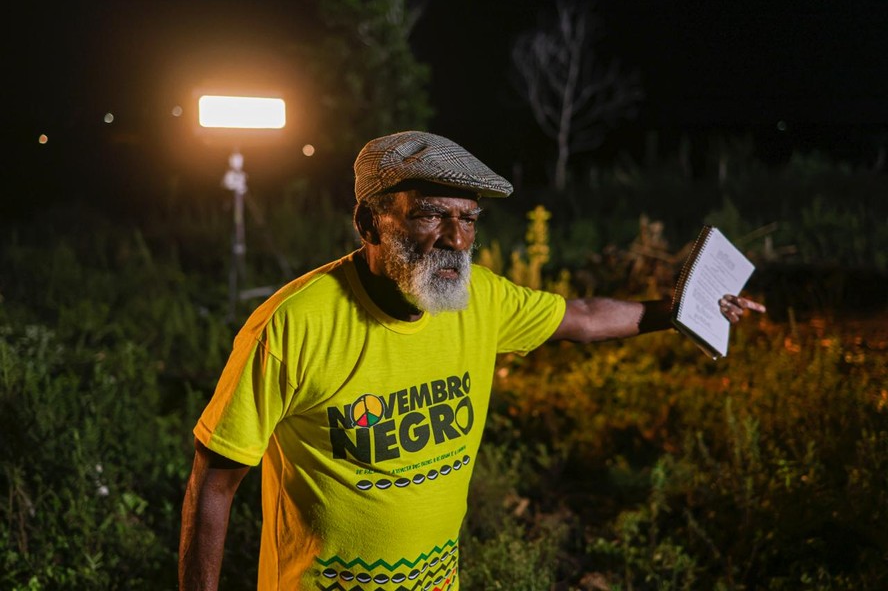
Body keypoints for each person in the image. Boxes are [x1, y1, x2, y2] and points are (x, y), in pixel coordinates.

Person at [178, 130, 765, 591]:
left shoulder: (478, 297)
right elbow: (214, 484)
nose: (457, 238)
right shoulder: (293, 326)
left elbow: (582, 317)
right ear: (368, 223)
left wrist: (681, 309)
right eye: (431, 214)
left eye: (469, 219)